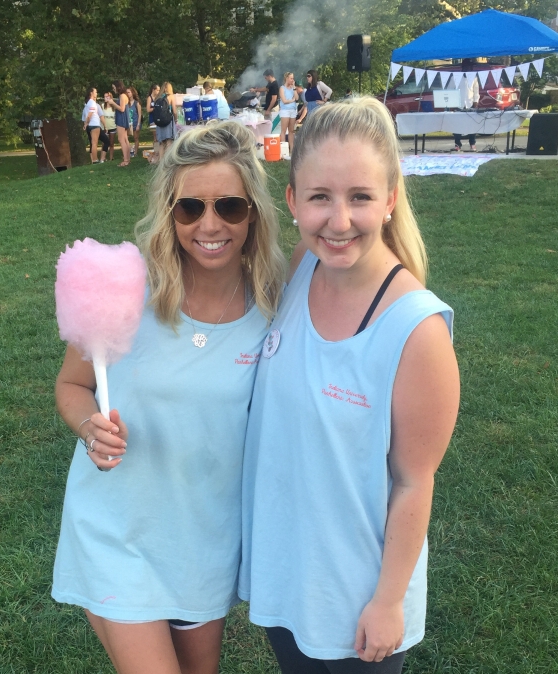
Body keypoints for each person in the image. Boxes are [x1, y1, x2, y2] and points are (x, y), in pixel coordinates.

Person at [51, 120, 286, 674]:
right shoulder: (126, 292)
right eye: (190, 209)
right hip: (118, 532)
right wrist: (90, 429)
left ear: (252, 212)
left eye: (229, 206)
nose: (209, 224)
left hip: (204, 539)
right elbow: (71, 385)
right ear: (169, 213)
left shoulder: (276, 304)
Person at [240, 98, 460, 673]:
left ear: (390, 199)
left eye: (360, 197)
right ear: (292, 201)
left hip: (361, 601)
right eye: (320, 197)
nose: (338, 221)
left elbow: (415, 482)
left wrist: (388, 602)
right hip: (289, 577)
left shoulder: (417, 329)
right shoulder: (303, 267)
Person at [453, 59, 480, 152]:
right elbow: (450, 90)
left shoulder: (474, 78)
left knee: (472, 125)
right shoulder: (456, 77)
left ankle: (472, 144)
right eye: (468, 67)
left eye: (471, 67)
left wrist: (476, 102)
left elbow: (476, 92)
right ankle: (457, 144)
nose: (470, 68)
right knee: (457, 126)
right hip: (458, 105)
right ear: (463, 67)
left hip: (470, 104)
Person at [106, 80, 132, 166]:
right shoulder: (124, 95)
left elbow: (122, 109)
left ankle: (125, 160)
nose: (113, 89)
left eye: (114, 87)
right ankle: (128, 159)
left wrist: (112, 103)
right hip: (124, 118)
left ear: (118, 87)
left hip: (121, 119)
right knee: (125, 139)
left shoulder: (122, 96)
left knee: (121, 139)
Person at [154, 82, 178, 161]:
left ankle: (161, 161)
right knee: (169, 141)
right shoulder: (171, 97)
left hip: (159, 122)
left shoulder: (157, 97)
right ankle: (168, 160)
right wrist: (176, 119)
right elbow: (174, 111)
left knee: (161, 142)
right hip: (168, 121)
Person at [83, 86, 106, 164]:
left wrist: (85, 124)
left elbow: (84, 116)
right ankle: (95, 160)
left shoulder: (86, 103)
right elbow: (89, 115)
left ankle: (93, 160)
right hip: (94, 124)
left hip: (89, 126)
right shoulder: (92, 103)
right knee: (94, 143)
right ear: (91, 93)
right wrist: (86, 123)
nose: (96, 93)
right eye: (95, 92)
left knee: (92, 143)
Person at [278, 72, 299, 154]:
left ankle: (292, 149)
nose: (292, 80)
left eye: (293, 78)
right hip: (285, 110)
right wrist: (292, 100)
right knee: (283, 130)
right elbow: (284, 100)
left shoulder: (293, 88)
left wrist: (294, 88)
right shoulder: (282, 88)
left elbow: (297, 98)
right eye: (291, 78)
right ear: (286, 78)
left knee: (291, 131)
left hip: (293, 110)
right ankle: (283, 150)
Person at [127, 86, 143, 158]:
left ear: (132, 93)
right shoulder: (126, 103)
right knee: (126, 138)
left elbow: (139, 114)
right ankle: (129, 151)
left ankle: (135, 152)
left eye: (129, 92)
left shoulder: (137, 103)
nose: (127, 94)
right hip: (128, 123)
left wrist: (138, 124)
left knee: (136, 138)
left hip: (136, 122)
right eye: (126, 92)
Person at [102, 93, 118, 161]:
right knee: (104, 143)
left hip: (113, 127)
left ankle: (111, 158)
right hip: (105, 127)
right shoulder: (102, 106)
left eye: (107, 97)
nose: (106, 98)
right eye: (105, 97)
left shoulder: (114, 107)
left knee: (111, 143)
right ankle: (103, 157)